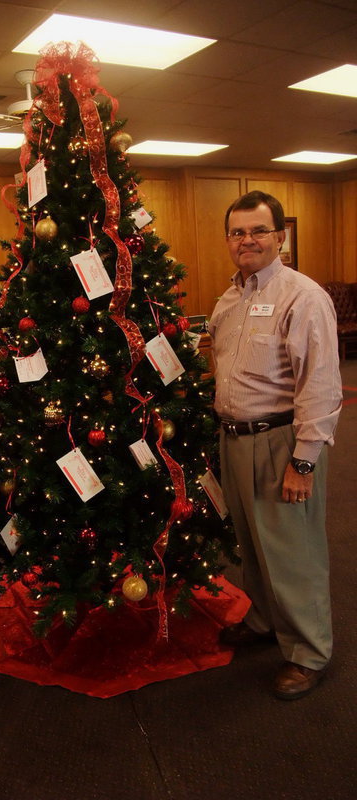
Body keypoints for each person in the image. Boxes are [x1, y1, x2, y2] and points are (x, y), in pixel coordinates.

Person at [209, 191, 342, 700]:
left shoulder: (302, 296)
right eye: (238, 232)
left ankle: (309, 652)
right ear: (228, 241)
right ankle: (264, 621)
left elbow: (322, 386)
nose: (247, 240)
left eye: (258, 231)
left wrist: (303, 462)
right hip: (235, 440)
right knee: (253, 545)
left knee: (293, 552)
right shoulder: (228, 299)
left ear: (280, 237)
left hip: (282, 443)